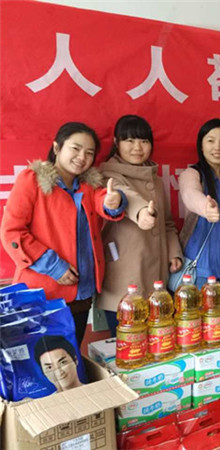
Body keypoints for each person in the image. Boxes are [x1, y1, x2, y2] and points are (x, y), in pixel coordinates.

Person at [1, 122, 126, 344]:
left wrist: (113, 202)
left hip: (81, 294)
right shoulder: (32, 180)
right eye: (75, 148)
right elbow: (12, 232)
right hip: (42, 294)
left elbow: (103, 200)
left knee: (72, 356)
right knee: (43, 358)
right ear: (57, 147)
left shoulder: (89, 185)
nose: (82, 157)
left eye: (89, 153)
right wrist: (54, 266)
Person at [97, 115, 183, 335]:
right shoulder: (108, 175)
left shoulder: (155, 179)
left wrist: (174, 253)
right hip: (123, 281)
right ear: (116, 142)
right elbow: (125, 196)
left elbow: (167, 223)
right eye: (130, 141)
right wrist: (142, 212)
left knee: (158, 342)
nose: (137, 148)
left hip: (156, 278)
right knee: (127, 345)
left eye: (144, 141)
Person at [178, 119, 220, 286]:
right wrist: (205, 207)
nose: (217, 147)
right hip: (200, 269)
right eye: (211, 141)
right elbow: (190, 193)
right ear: (201, 145)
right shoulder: (192, 174)